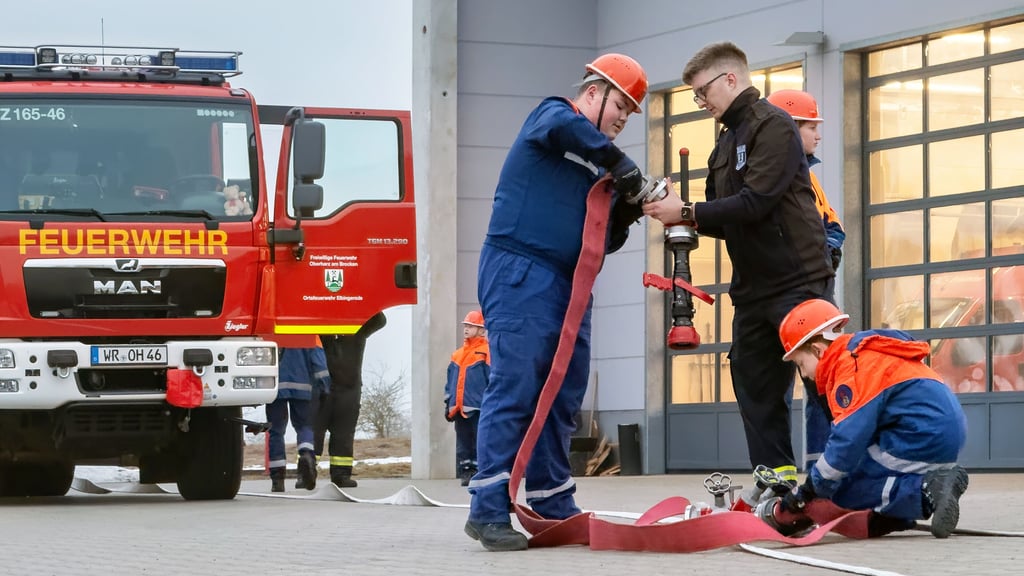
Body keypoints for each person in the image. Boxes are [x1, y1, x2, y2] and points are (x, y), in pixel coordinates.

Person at [466, 52, 650, 552]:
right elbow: (568, 130)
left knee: (564, 391)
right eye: (621, 106)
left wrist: (629, 209)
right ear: (594, 92)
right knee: (518, 386)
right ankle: (487, 509)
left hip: (570, 282)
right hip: (520, 269)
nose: (622, 120)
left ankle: (550, 498)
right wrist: (624, 168)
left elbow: (602, 239)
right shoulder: (553, 117)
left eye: (630, 114)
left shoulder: (595, 160)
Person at [642, 42, 835, 486]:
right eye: (695, 95)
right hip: (752, 288)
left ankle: (847, 477)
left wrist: (686, 212)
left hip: (798, 280)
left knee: (822, 380)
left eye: (703, 91)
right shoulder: (724, 144)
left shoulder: (775, 126)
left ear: (731, 78)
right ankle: (779, 481)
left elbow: (757, 202)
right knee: (754, 383)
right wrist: (676, 211)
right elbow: (726, 218)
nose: (701, 101)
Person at [776, 299, 969, 539]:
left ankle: (927, 490)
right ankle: (894, 515)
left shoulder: (850, 369)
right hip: (937, 431)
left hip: (919, 436)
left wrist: (809, 491)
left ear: (818, 350)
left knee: (845, 487)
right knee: (856, 469)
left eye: (800, 364)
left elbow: (847, 444)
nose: (803, 373)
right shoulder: (866, 354)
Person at [766, 88, 847, 471]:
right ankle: (815, 470)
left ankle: (825, 468)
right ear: (787, 127)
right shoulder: (773, 177)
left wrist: (826, 252)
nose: (818, 134)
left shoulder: (809, 180)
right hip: (789, 293)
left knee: (825, 378)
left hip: (816, 294)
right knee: (801, 379)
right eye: (810, 126)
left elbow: (834, 225)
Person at [315, 311, 388, 488]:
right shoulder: (318, 329)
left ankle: (341, 475)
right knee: (314, 432)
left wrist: (360, 302)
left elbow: (380, 319)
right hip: (320, 389)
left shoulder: (358, 329)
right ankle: (306, 472)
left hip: (349, 389)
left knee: (344, 435)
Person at [267, 346, 331, 492]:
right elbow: (319, 363)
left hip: (274, 389)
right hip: (303, 387)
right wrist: (325, 387)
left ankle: (277, 479)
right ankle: (306, 454)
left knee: (276, 431)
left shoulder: (271, 331)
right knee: (305, 427)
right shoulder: (307, 329)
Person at [443, 310, 490, 487]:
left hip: (479, 407)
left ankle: (480, 471)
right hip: (459, 407)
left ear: (481, 330)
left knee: (480, 441)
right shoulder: (457, 354)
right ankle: (466, 472)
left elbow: (492, 380)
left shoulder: (486, 353)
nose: (466, 329)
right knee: (463, 443)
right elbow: (450, 382)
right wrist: (448, 404)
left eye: (471, 326)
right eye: (466, 326)